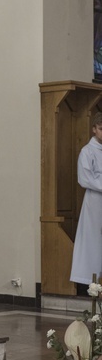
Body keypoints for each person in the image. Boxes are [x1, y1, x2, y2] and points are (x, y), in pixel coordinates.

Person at [70, 112, 102, 285]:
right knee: (94, 239)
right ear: (94, 130)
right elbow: (84, 178)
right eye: (101, 129)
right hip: (95, 201)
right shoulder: (87, 151)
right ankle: (92, 280)